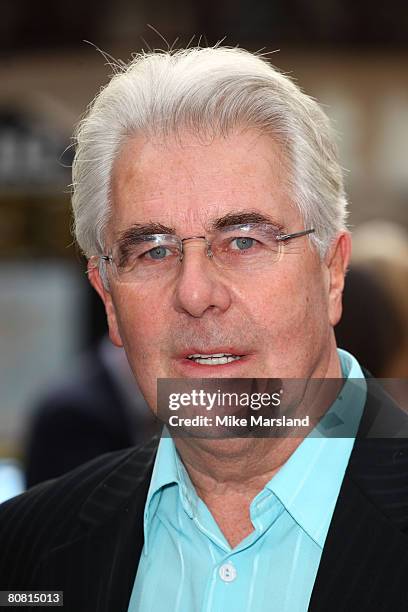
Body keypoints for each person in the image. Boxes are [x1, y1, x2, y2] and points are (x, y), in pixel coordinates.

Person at [1, 47, 408, 612]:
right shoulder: (24, 554)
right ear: (109, 301)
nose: (194, 294)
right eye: (153, 250)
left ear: (332, 272)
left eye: (244, 241)